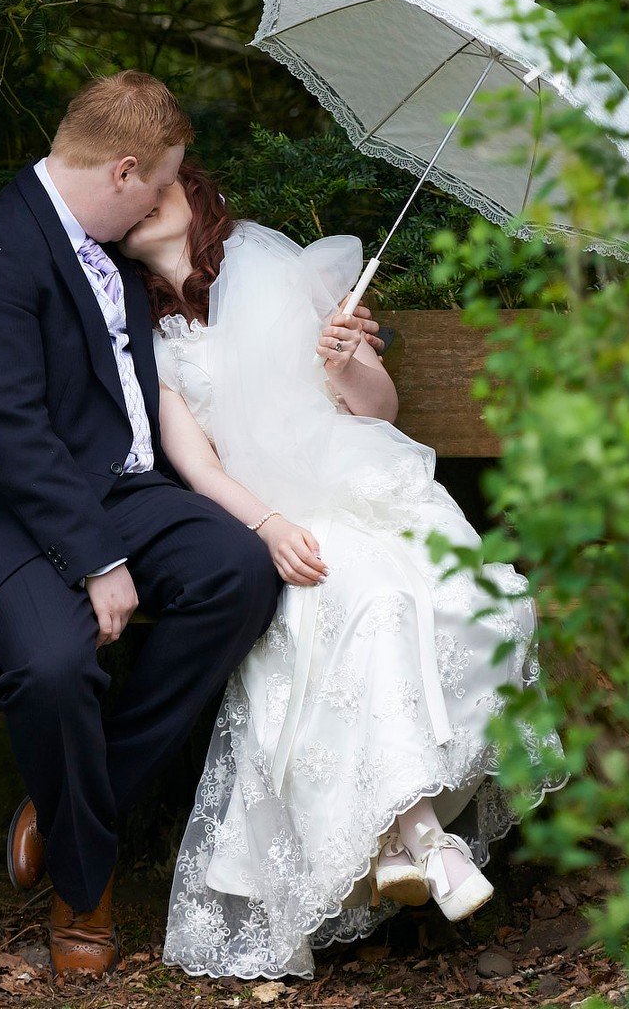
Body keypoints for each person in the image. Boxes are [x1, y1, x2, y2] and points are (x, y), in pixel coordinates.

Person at [0, 74, 282, 978]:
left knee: (238, 573)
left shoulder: (108, 250)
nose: (167, 199)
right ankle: (84, 890)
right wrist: (99, 559)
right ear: (126, 170)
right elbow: (8, 433)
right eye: (163, 182)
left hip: (125, 490)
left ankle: (69, 814)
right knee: (54, 665)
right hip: (3, 516)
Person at [119, 164, 568, 980]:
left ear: (202, 198)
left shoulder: (285, 279)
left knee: (440, 595)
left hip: (362, 489)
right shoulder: (148, 341)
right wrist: (272, 526)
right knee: (358, 601)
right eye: (137, 191)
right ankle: (424, 842)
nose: (151, 197)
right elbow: (196, 466)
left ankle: (408, 837)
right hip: (272, 516)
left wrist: (344, 358)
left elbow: (377, 410)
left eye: (168, 184)